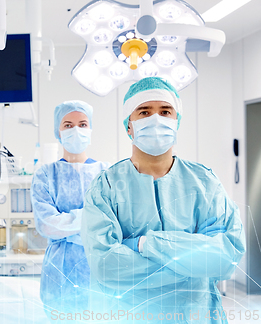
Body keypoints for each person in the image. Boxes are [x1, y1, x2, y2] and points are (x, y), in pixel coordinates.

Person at [81, 77, 246, 323]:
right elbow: (107, 266)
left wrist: (144, 245)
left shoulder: (205, 183)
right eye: (144, 112)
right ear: (129, 126)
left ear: (176, 122)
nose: (156, 119)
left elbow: (225, 258)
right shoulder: (106, 188)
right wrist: (191, 264)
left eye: (165, 111)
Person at [31, 101, 110, 321]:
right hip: (60, 271)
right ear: (58, 131)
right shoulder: (45, 175)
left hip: (100, 266)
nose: (76, 130)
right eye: (68, 125)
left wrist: (67, 223)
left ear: (91, 129)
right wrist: (92, 216)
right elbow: (47, 224)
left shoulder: (107, 173)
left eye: (83, 124)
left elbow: (113, 220)